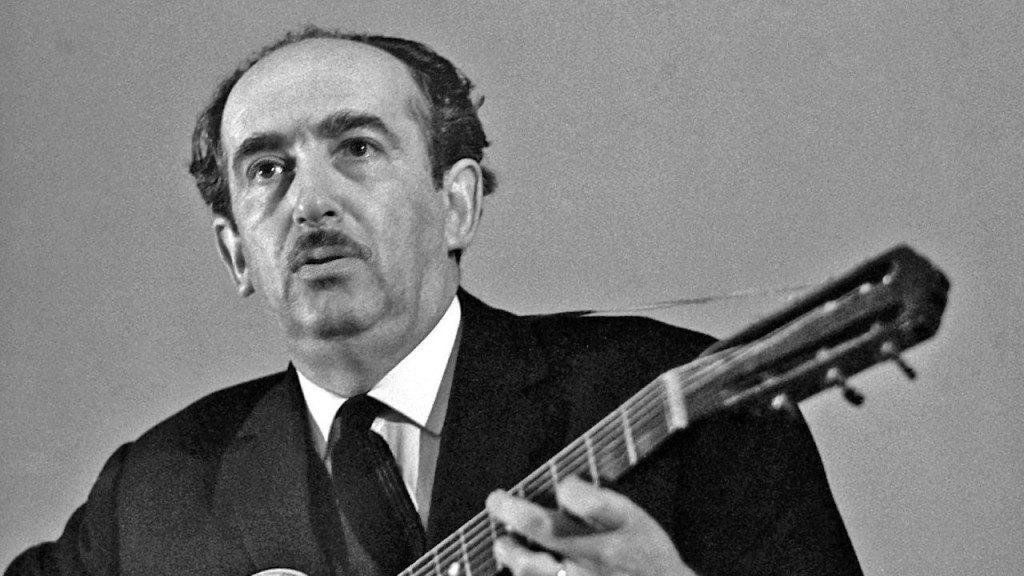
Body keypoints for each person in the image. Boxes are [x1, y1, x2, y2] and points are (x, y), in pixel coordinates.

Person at [5, 27, 863, 576]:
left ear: (458, 203)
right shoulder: (153, 494)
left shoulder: (685, 397)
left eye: (357, 148)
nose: (310, 202)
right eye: (267, 169)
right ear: (237, 253)